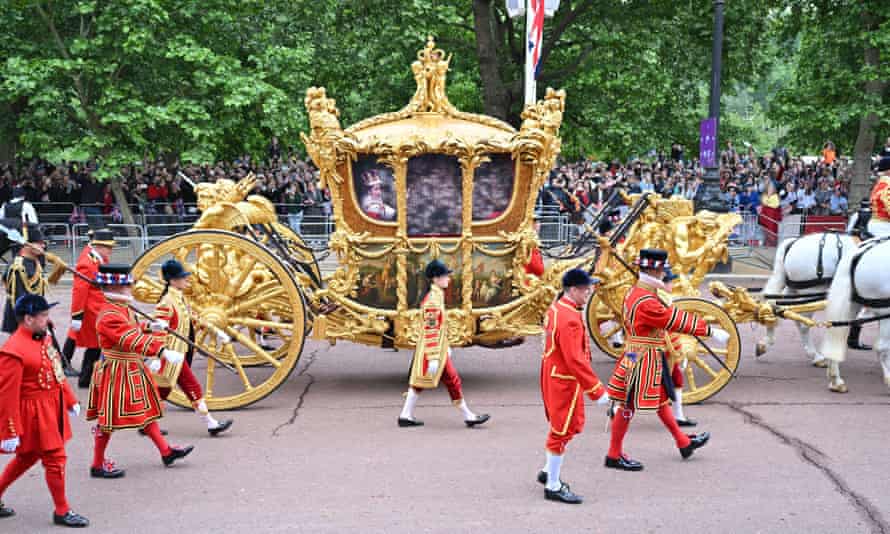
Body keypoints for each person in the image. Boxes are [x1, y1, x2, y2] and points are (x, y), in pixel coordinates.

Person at [605, 249, 729, 471]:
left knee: (660, 400)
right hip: (643, 355)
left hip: (638, 352)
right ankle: (614, 454)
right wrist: (708, 330)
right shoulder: (646, 300)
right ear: (656, 270)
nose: (664, 275)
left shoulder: (637, 292)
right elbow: (674, 320)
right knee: (628, 406)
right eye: (662, 271)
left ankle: (683, 442)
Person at [86, 264, 194, 478]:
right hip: (117, 370)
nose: (130, 288)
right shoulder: (109, 314)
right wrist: (161, 350)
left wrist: (149, 326)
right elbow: (129, 339)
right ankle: (97, 464)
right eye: (127, 286)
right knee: (108, 421)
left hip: (131, 368)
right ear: (115, 289)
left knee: (147, 412)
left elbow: (133, 327)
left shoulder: (121, 308)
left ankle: (166, 451)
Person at [0, 294, 89, 527]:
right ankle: (62, 510)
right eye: (44, 315)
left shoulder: (44, 338)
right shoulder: (13, 350)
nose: (48, 319)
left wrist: (69, 400)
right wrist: (9, 431)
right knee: (55, 458)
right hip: (33, 413)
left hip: (51, 407)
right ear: (28, 319)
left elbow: (57, 371)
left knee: (27, 457)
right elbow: (6, 396)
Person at [537, 269, 608, 504]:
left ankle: (548, 470)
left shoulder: (558, 309)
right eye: (586, 289)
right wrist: (597, 390)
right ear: (574, 290)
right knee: (560, 431)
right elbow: (575, 359)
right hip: (564, 380)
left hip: (556, 375)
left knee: (570, 426)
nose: (588, 292)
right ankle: (553, 485)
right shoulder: (569, 317)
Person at [397, 260, 490, 428]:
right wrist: (434, 356)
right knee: (451, 380)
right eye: (445, 276)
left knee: (422, 382)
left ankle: (406, 415)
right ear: (436, 279)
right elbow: (432, 330)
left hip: (434, 348)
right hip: (433, 350)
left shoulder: (436, 295)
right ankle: (469, 416)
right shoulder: (433, 300)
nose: (448, 279)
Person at [152, 260, 233, 436]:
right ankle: (211, 423)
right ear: (173, 280)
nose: (186, 280)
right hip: (173, 354)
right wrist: (158, 355)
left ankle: (147, 423)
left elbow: (194, 318)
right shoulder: (166, 302)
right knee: (193, 387)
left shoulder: (180, 298)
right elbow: (158, 333)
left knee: (162, 390)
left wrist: (216, 331)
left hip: (181, 352)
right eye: (182, 278)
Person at [2, 225, 74, 377]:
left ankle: (57, 365)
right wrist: (37, 316)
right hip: (23, 314)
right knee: (21, 347)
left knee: (42, 343)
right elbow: (21, 297)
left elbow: (40, 286)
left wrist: (58, 264)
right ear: (27, 245)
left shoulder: (35, 261)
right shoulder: (18, 267)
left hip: (36, 311)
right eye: (39, 242)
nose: (43, 246)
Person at [63, 229, 115, 388]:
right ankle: (85, 379)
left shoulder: (96, 257)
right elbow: (79, 291)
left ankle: (87, 377)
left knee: (96, 345)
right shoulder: (88, 262)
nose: (110, 251)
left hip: (98, 308)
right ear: (99, 246)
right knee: (95, 345)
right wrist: (77, 316)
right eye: (108, 248)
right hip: (92, 310)